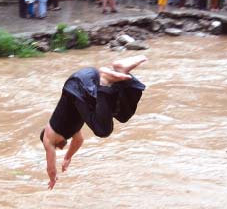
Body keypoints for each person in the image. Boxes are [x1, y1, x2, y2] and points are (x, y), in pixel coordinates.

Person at [40, 56, 147, 190]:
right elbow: (78, 141)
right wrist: (68, 157)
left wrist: (52, 178)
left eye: (57, 148)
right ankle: (120, 70)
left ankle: (105, 82)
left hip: (76, 87)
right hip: (88, 77)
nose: (59, 147)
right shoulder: (69, 129)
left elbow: (50, 167)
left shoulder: (48, 138)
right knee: (121, 114)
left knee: (103, 130)